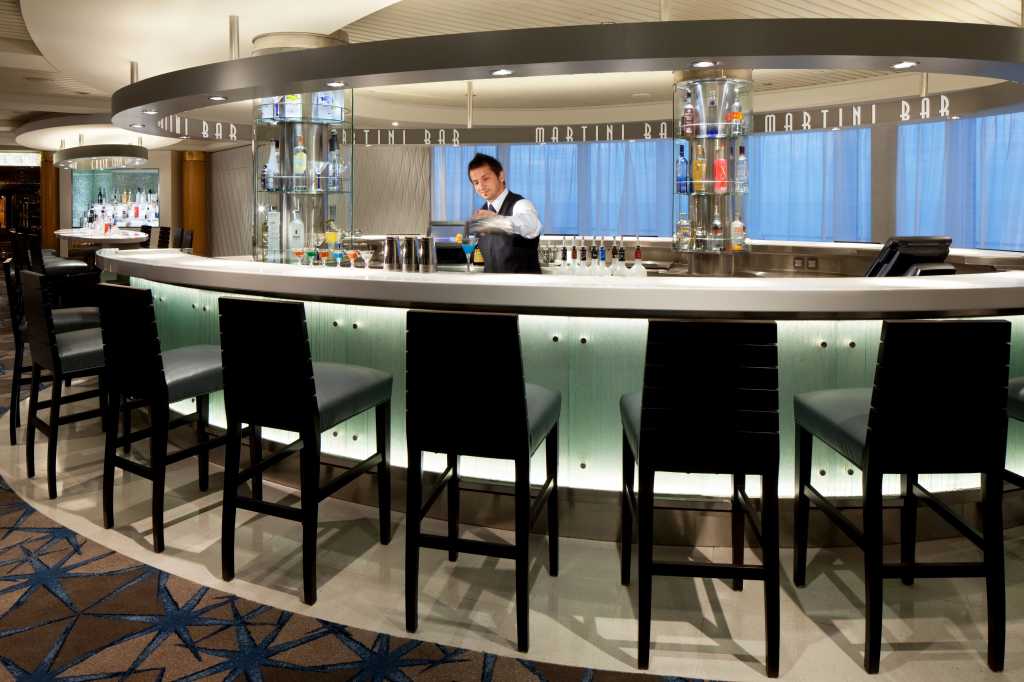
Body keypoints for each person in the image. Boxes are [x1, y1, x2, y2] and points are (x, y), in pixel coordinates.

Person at [466, 153, 543, 274]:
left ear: (501, 176)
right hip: (492, 285)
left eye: (485, 179)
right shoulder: (483, 212)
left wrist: (497, 220)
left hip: (523, 285)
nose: (481, 186)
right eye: (476, 182)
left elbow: (532, 225)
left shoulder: (521, 204)